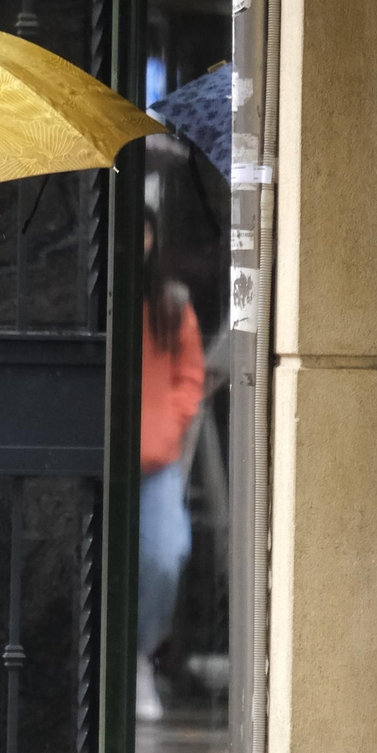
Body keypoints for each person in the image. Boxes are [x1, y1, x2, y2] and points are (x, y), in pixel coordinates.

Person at [136, 213, 206, 722]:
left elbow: (190, 377)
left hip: (155, 460)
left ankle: (139, 656)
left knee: (166, 554)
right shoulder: (94, 297)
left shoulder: (170, 302)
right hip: (108, 456)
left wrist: (167, 425)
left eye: (146, 229)